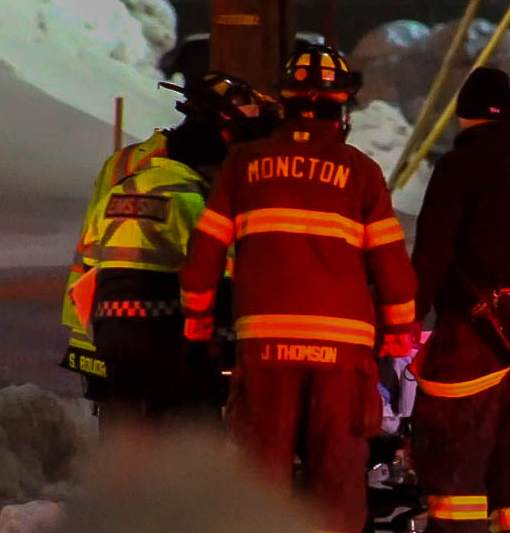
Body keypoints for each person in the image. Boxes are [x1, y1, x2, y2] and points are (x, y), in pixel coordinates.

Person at [178, 42, 417, 533]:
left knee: (262, 474)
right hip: (343, 353)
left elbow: (204, 258)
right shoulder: (362, 172)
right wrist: (399, 332)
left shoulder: (242, 164)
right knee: (337, 476)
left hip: (265, 347)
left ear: (284, 102)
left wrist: (198, 323)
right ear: (341, 109)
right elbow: (393, 270)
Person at [409, 67, 510, 533]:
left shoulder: (457, 168)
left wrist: (406, 321)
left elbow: (432, 253)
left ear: (462, 114)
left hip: (470, 341)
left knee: (460, 467)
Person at [59, 72, 278, 401]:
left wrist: (84, 340)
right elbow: (218, 272)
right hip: (162, 333)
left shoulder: (126, 172)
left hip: (103, 330)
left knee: (124, 432)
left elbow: (89, 257)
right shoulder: (193, 197)